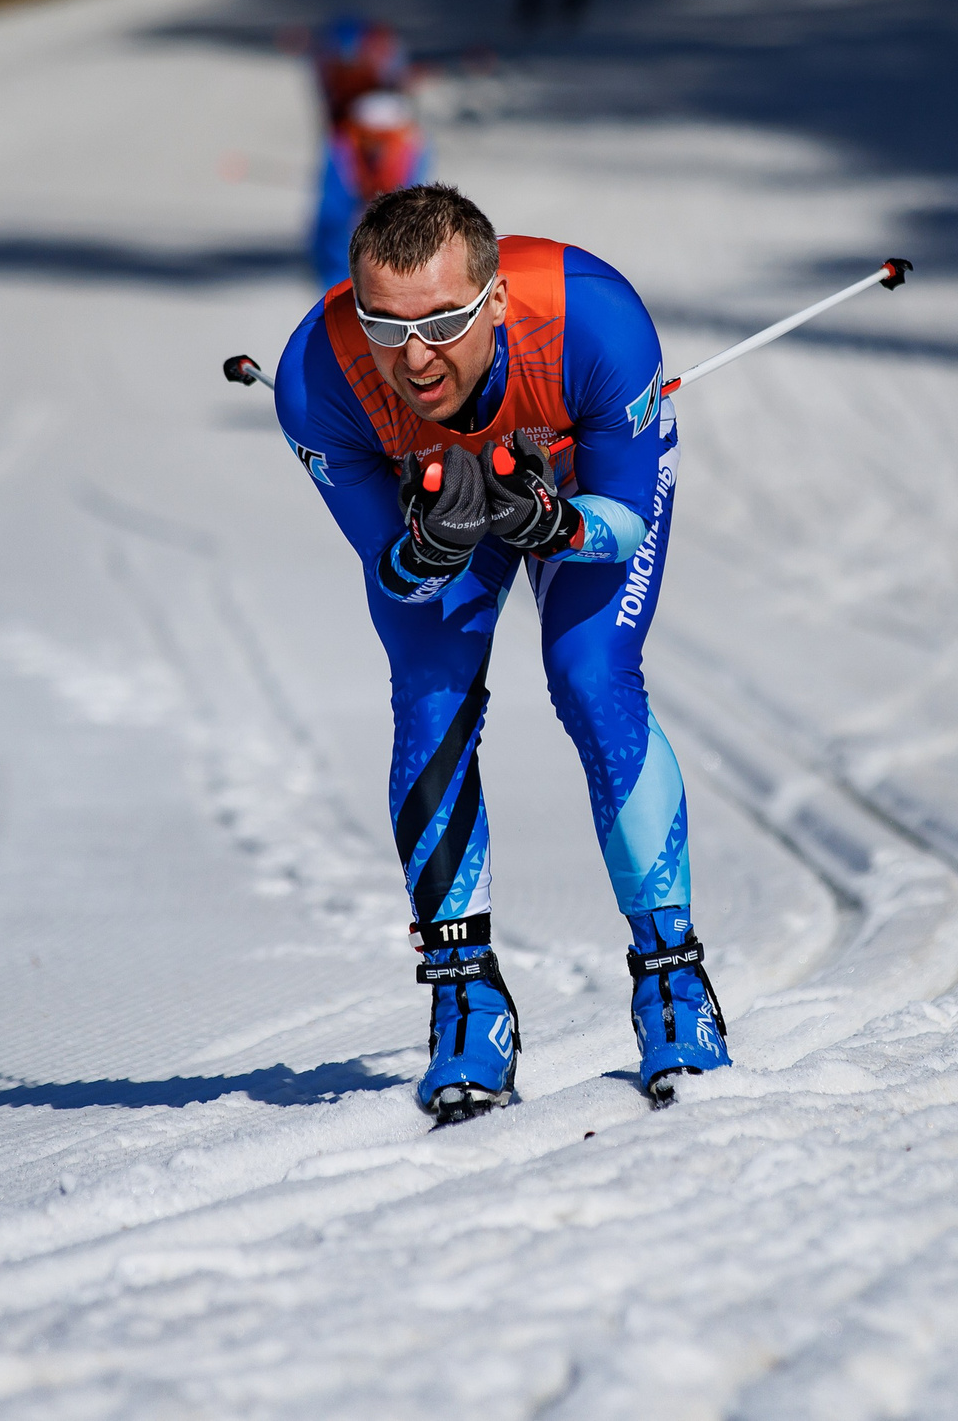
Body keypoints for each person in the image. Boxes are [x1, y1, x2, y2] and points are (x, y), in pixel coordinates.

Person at [273, 184, 731, 1123]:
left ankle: (674, 983)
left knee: (592, 675)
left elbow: (623, 521)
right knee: (431, 692)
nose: (414, 354)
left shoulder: (591, 317)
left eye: (442, 319)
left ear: (491, 301)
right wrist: (425, 548)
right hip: (433, 499)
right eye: (386, 324)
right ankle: (465, 1002)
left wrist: (549, 519)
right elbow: (391, 574)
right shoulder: (318, 378)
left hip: (575, 486)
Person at [308, 17, 430, 288]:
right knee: (410, 212)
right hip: (405, 136)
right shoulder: (410, 135)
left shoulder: (343, 138)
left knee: (338, 225)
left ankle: (343, 291)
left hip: (355, 139)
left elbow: (331, 218)